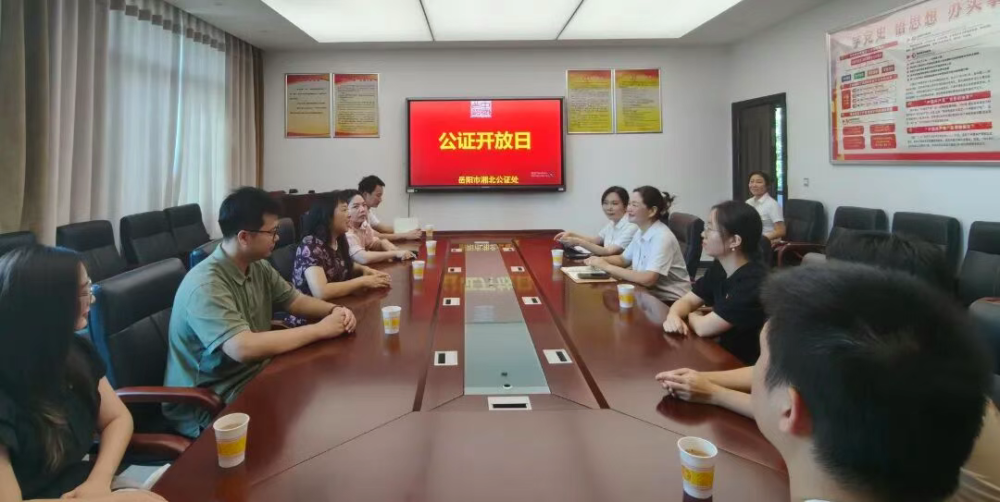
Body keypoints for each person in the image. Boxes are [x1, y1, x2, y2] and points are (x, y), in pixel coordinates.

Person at [657, 237, 1000, 501]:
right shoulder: (914, 366)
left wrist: (715, 392)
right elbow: (797, 382)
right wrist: (709, 383)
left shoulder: (906, 396)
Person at [164, 187, 358, 438]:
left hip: (254, 375)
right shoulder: (205, 285)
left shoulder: (255, 266)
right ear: (244, 237)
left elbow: (295, 301)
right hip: (211, 401)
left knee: (322, 401)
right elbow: (243, 348)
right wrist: (321, 329)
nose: (277, 238)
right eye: (272, 232)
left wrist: (335, 310)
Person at [0, 246, 165, 501]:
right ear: (47, 304)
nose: (92, 299)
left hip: (85, 484)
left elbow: (117, 418)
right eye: (83, 291)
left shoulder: (73, 350)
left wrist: (99, 481)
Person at [662, 200, 766, 364]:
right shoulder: (721, 267)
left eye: (710, 229)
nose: (703, 234)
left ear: (735, 241)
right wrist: (674, 315)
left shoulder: (753, 282)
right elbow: (688, 300)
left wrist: (692, 313)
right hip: (719, 351)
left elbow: (704, 328)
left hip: (743, 365)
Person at [285, 193, 392, 327]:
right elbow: (321, 291)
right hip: (309, 321)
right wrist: (363, 281)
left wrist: (366, 271)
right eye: (344, 210)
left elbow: (341, 264)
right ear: (328, 215)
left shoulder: (338, 240)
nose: (349, 215)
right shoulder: (310, 245)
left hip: (336, 311)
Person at [584, 186, 691, 303]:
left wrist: (606, 266)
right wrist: (598, 260)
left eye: (634, 205)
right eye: (629, 204)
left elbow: (648, 279)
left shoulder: (662, 237)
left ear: (652, 211)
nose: (628, 209)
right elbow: (623, 259)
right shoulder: (641, 231)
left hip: (671, 301)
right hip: (647, 295)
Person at [553, 186, 638, 256]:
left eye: (614, 203)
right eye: (605, 203)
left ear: (626, 206)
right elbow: (595, 241)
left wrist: (577, 242)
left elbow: (608, 251)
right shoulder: (612, 223)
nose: (609, 208)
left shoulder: (631, 226)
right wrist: (572, 234)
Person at [344, 189, 416, 265]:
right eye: (356, 207)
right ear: (345, 211)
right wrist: (395, 253)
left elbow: (373, 242)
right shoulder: (346, 232)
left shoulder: (363, 225)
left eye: (364, 205)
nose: (362, 209)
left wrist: (384, 243)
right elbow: (363, 258)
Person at [358, 175, 421, 241]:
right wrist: (405, 235)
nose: (380, 200)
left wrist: (410, 231)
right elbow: (376, 236)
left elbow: (383, 228)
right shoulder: (359, 213)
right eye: (378, 195)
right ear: (365, 194)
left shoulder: (368, 211)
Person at [746, 171, 785, 243]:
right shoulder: (748, 202)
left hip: (766, 243)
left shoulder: (772, 204)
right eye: (751, 182)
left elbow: (781, 231)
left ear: (767, 186)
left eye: (759, 182)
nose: (754, 185)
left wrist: (760, 239)